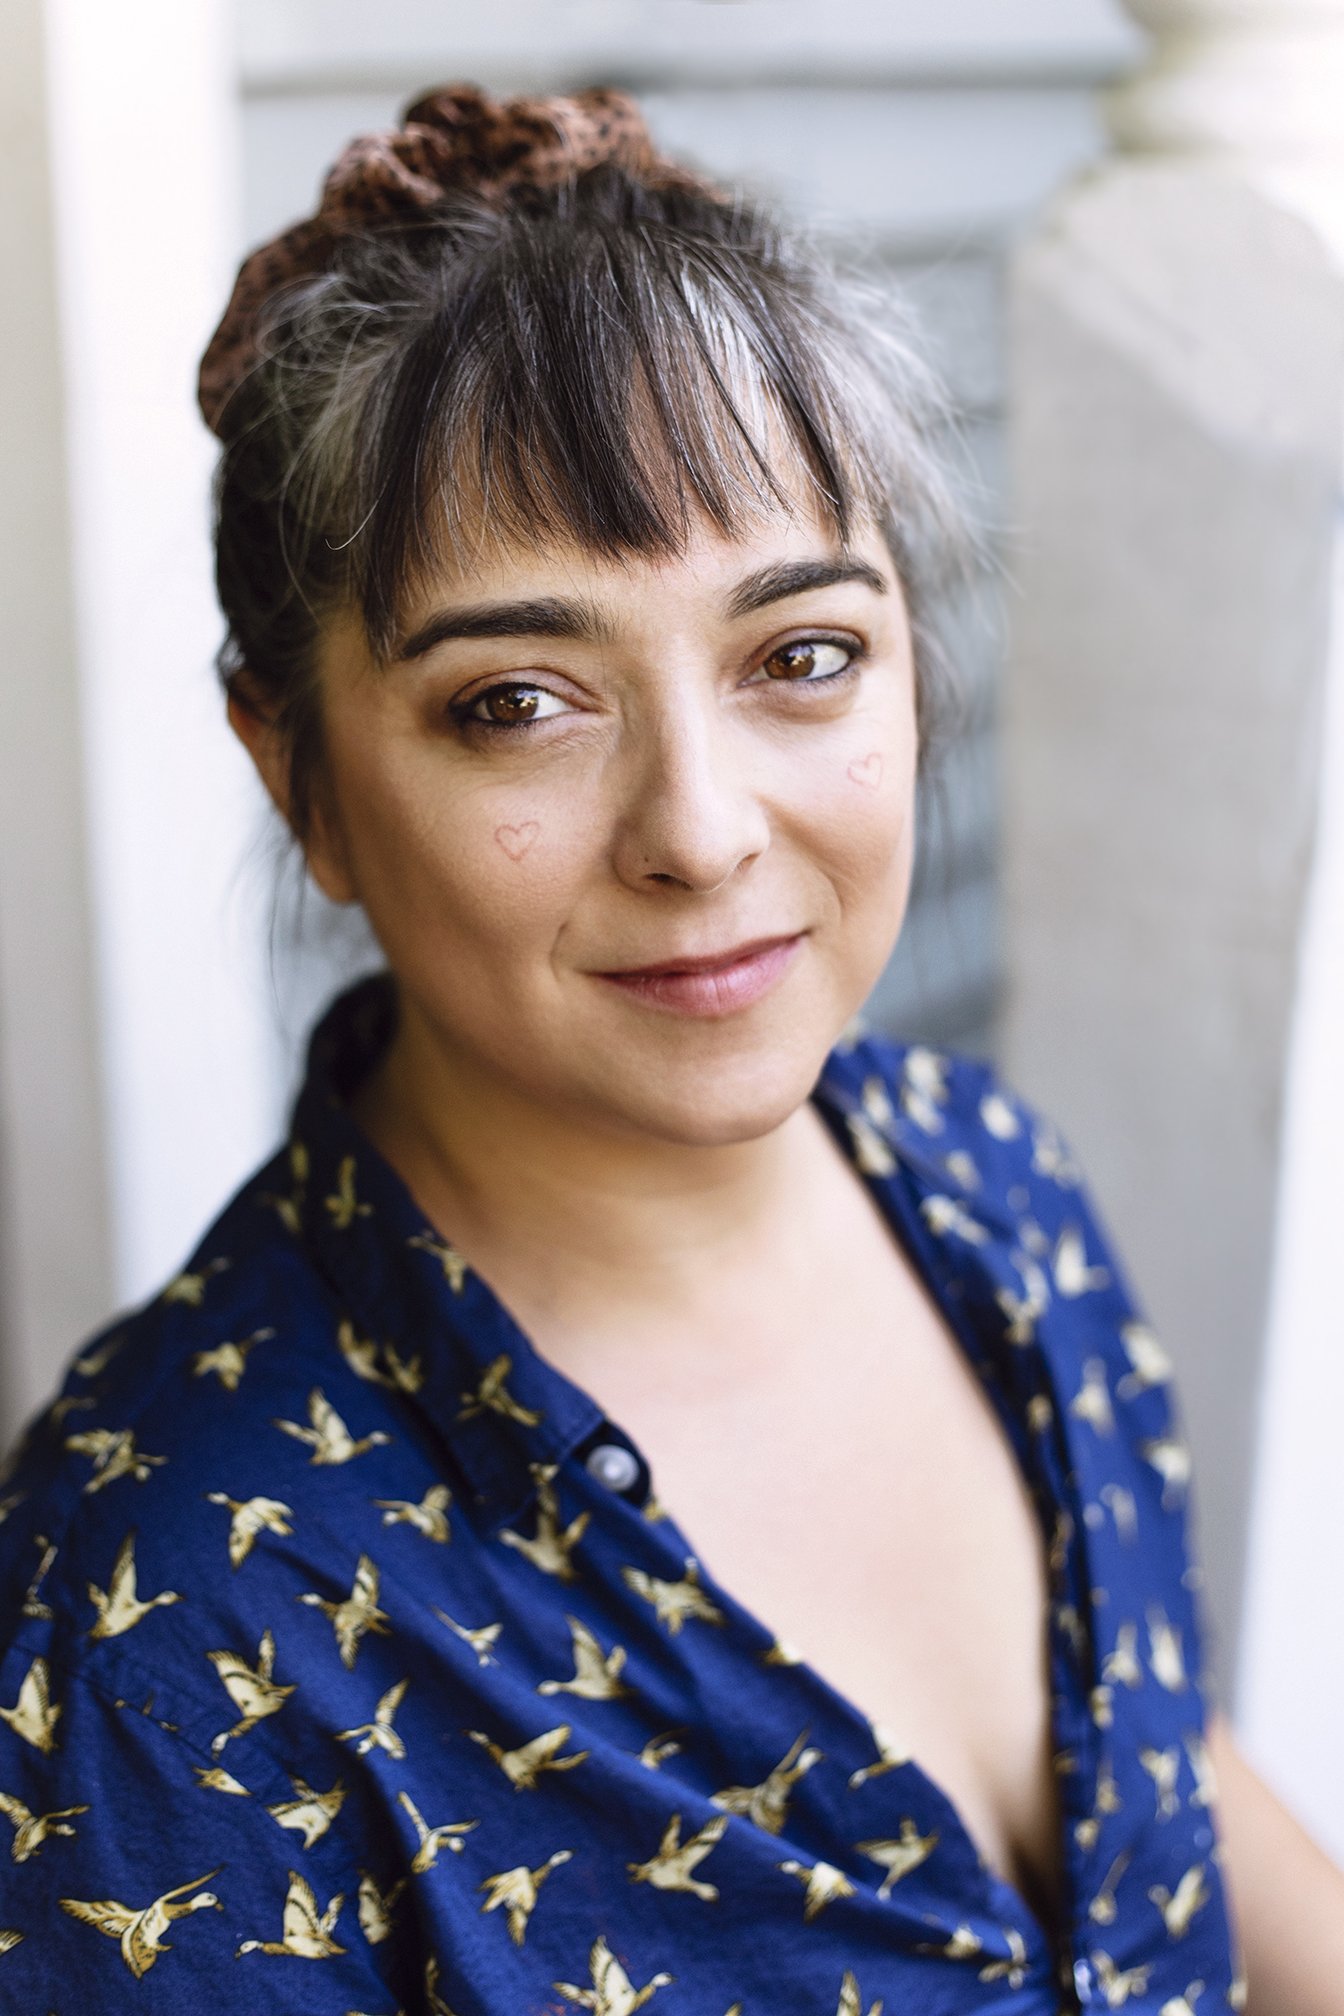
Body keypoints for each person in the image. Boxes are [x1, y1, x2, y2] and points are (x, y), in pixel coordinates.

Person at [0, 81, 1339, 2016]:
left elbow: (1173, 1802)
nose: (702, 830)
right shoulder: (167, 1627)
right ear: (302, 781)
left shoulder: (988, 1189)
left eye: (801, 656)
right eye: (519, 703)